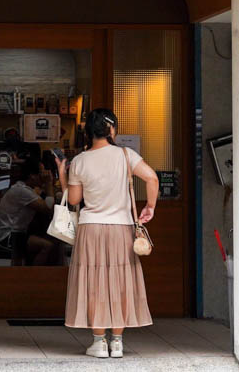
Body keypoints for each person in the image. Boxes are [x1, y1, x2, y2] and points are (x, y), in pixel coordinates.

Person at [57, 108, 158, 359]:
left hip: (91, 229)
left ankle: (99, 342)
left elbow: (74, 200)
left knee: (95, 283)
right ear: (111, 129)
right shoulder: (126, 155)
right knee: (120, 281)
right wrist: (150, 207)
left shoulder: (80, 161)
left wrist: (62, 174)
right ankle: (118, 342)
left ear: (88, 132)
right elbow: (152, 178)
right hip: (121, 228)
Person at [0, 159, 61, 266]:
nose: (44, 175)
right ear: (32, 176)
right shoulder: (22, 191)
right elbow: (48, 209)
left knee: (48, 239)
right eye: (41, 173)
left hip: (15, 234)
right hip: (8, 237)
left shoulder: (23, 188)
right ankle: (33, 278)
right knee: (47, 246)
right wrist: (48, 184)